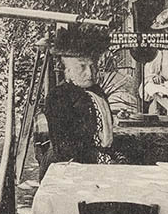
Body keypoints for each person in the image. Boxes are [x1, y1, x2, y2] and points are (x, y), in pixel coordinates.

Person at [46, 32, 128, 165]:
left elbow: (105, 137)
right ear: (68, 71)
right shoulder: (58, 96)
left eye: (92, 66)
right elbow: (65, 148)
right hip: (70, 165)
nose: (90, 73)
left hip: (100, 159)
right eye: (82, 67)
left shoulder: (97, 91)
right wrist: (104, 158)